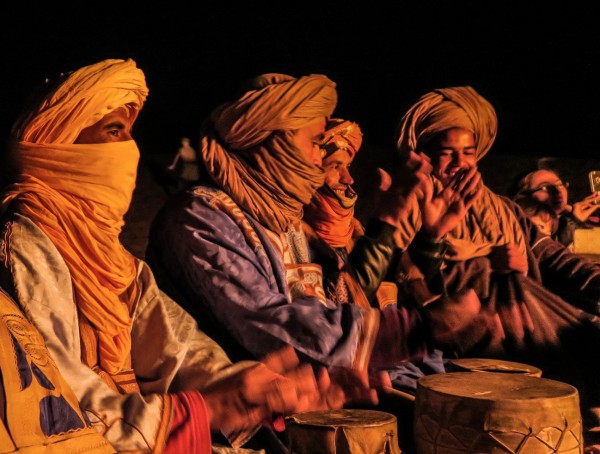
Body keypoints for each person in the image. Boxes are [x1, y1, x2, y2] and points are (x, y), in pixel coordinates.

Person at [0, 58, 352, 454]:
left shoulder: (109, 258)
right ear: (57, 143)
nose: (128, 151)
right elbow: (56, 404)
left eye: (130, 134)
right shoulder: (25, 248)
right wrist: (205, 409)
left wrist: (252, 388)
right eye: (114, 131)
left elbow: (177, 345)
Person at [145, 72, 490, 448]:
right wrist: (413, 329)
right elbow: (268, 324)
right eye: (314, 144)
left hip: (310, 406)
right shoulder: (198, 218)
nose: (318, 160)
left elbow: (336, 302)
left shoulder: (285, 221)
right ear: (274, 144)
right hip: (246, 427)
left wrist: (428, 241)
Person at [392, 85, 600, 448]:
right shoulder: (408, 206)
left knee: (590, 332)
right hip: (475, 334)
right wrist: (489, 266)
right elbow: (413, 283)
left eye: (468, 152)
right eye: (447, 153)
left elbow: (552, 256)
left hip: (533, 317)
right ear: (424, 155)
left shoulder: (504, 209)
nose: (460, 163)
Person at [512, 167, 600, 248]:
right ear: (523, 196)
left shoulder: (568, 215)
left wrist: (574, 219)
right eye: (545, 187)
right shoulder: (518, 226)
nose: (558, 191)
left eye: (560, 184)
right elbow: (545, 252)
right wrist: (573, 221)